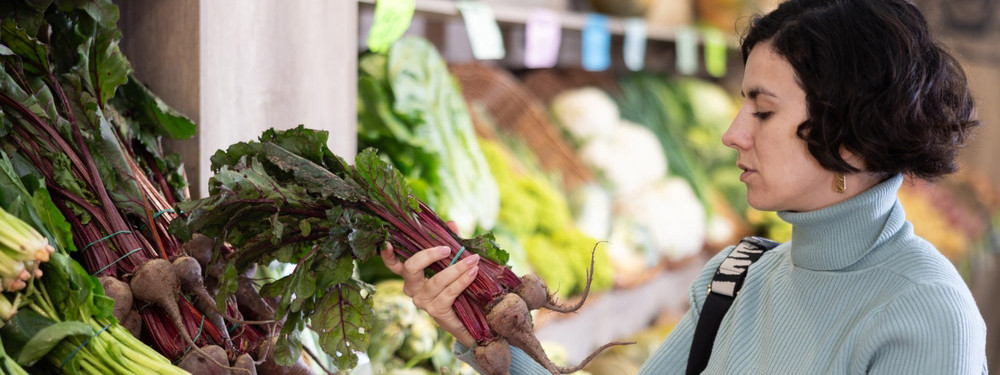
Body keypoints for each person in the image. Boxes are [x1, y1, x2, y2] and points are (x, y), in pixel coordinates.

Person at [379, 0, 989, 373]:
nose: (732, 134)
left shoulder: (925, 314)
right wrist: (476, 328)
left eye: (762, 111)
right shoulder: (735, 277)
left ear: (851, 132)